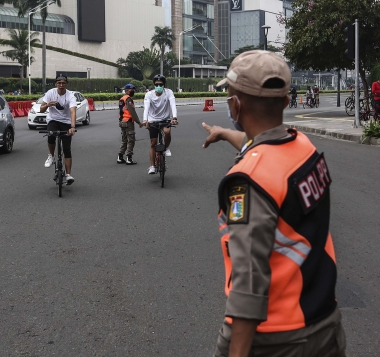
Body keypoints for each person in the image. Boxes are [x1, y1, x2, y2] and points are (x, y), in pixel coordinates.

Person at [201, 50, 346, 357]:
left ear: (235, 105)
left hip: (275, 339)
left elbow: (249, 282)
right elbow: (264, 145)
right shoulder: (302, 147)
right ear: (285, 101)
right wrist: (226, 133)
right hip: (325, 323)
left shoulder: (248, 181)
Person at [40, 74, 77, 185]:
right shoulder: (50, 93)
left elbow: (72, 111)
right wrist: (47, 105)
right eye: (59, 83)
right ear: (56, 83)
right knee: (51, 134)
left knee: (66, 148)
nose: (61, 85)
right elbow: (41, 109)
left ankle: (68, 175)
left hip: (66, 122)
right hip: (53, 120)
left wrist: (72, 127)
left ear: (67, 84)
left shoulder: (71, 96)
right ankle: (51, 156)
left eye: (63, 83)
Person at [143, 74, 178, 175]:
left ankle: (166, 148)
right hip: (152, 120)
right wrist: (145, 120)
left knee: (167, 132)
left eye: (161, 84)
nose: (159, 86)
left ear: (164, 85)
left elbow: (173, 105)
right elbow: (146, 108)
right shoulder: (149, 94)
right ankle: (152, 166)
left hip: (165, 119)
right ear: (154, 84)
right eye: (157, 84)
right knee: (153, 143)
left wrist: (174, 117)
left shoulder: (169, 92)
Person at [117, 83, 143, 165]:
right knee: (131, 140)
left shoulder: (122, 98)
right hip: (128, 122)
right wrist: (138, 122)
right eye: (132, 90)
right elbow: (132, 112)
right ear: (127, 90)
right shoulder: (128, 99)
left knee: (124, 140)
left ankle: (120, 157)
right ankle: (129, 158)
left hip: (122, 121)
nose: (134, 91)